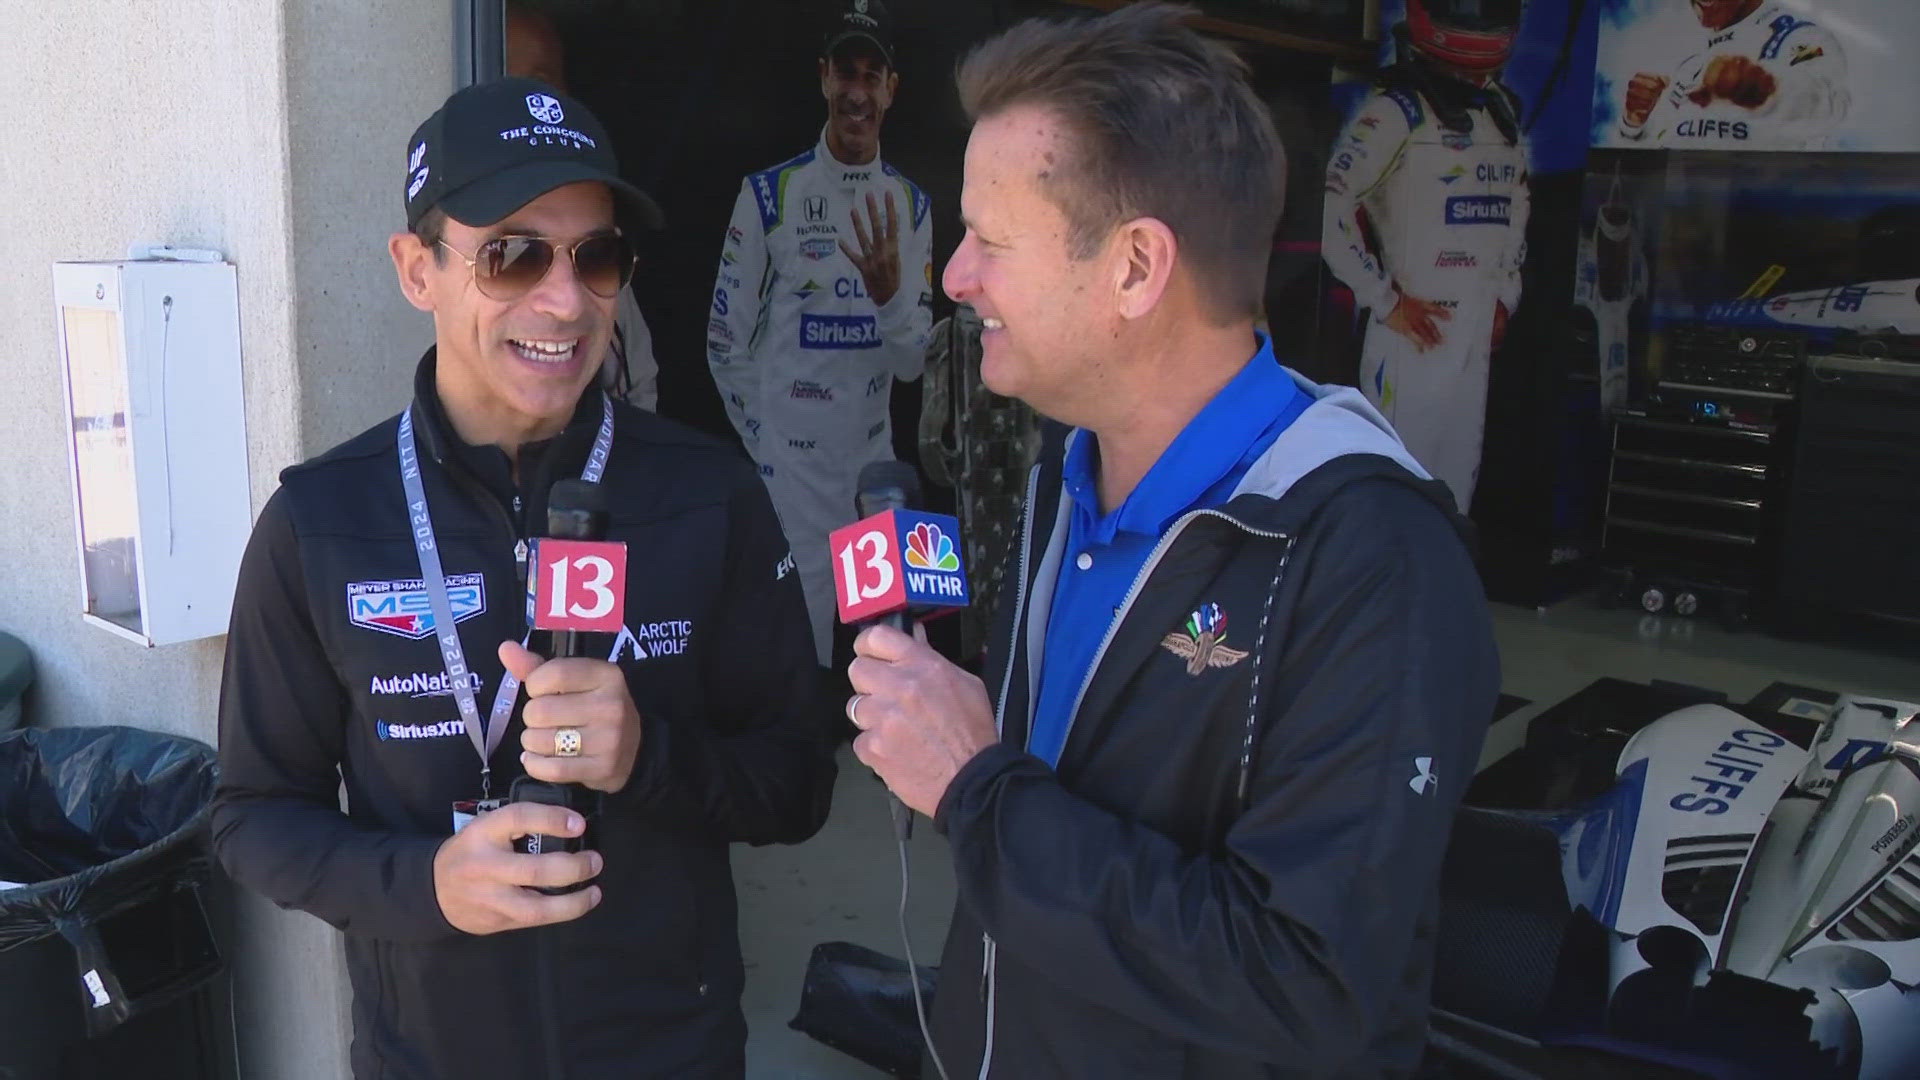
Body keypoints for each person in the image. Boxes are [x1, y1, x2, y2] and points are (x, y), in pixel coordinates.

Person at [842, 5, 1499, 1077]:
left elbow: (1307, 985)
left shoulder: (1372, 559)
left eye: (990, 243)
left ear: (1138, 268)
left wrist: (977, 787)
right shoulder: (1068, 475)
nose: (954, 277)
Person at [210, 77, 833, 1079]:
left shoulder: (708, 496)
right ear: (418, 270)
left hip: (668, 1052)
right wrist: (425, 886)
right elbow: (252, 814)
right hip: (430, 1054)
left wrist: (647, 757)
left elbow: (798, 784)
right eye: (512, 254)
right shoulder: (321, 523)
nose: (565, 298)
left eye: (599, 256)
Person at [706, 0, 933, 671]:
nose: (857, 92)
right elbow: (723, 345)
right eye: (846, 73)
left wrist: (890, 299)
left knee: (888, 655)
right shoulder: (770, 194)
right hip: (790, 473)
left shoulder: (912, 205)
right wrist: (771, 442)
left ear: (892, 90)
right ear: (824, 78)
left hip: (871, 472)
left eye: (873, 76)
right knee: (796, 664)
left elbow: (916, 363)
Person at [1323, 0, 1530, 510]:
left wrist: (1506, 295)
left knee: (1456, 491)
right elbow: (1329, 208)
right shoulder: (1395, 113)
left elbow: (1517, 207)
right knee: (1394, 487)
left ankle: (1443, 583)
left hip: (1475, 332)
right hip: (1411, 335)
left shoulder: (1501, 112)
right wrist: (1384, 299)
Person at [507, 0, 663, 409]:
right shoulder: (449, 233)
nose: (518, 104)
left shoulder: (595, 237)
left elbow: (636, 385)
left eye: (537, 86)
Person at [1618, 0, 1848, 151]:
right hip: (1688, 216)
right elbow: (1654, 161)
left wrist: (1766, 90)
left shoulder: (1801, 38)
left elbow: (1827, 108)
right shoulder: (1690, 65)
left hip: (1766, 214)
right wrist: (1634, 124)